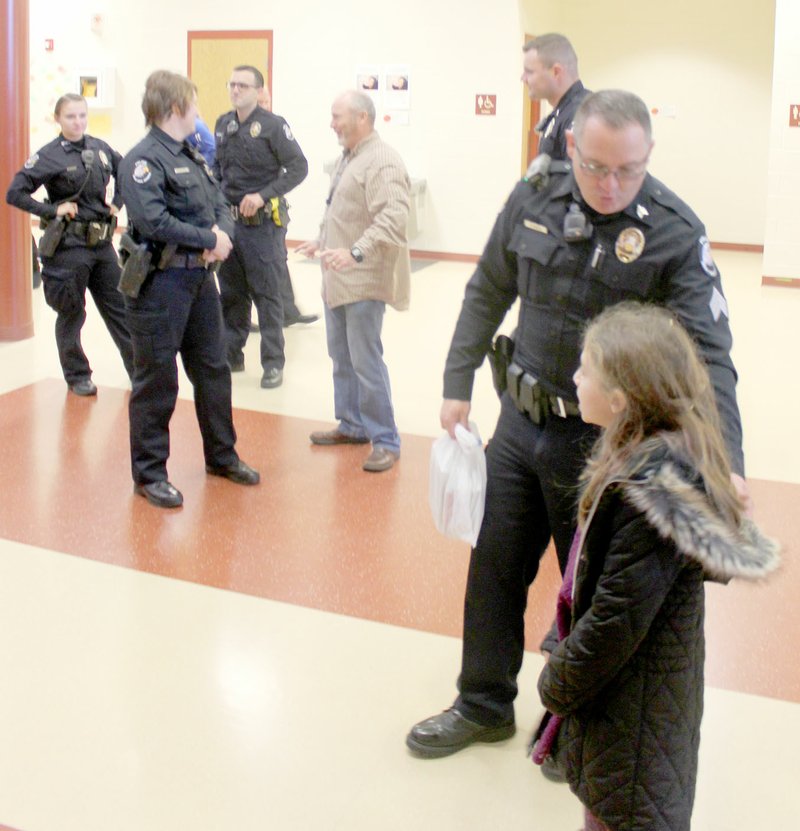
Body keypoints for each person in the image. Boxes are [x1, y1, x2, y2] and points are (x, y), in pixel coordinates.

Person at [406, 89, 751, 758]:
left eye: (629, 169)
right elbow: (488, 287)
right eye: (596, 167)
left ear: (648, 156)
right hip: (519, 424)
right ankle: (482, 703)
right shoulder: (534, 196)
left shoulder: (675, 231)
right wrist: (457, 380)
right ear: (571, 148)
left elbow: (710, 355)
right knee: (495, 570)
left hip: (601, 446)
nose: (611, 184)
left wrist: (726, 458)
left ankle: (577, 728)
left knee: (591, 596)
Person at [535, 302, 779, 831]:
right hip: (627, 708)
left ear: (620, 399)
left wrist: (557, 682)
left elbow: (616, 618)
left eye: (585, 369)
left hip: (637, 717)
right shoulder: (638, 454)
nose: (574, 378)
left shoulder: (653, 489)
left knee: (624, 814)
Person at [118, 69, 259, 509]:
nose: (199, 112)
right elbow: (153, 220)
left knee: (214, 371)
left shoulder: (192, 156)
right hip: (161, 284)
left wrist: (224, 234)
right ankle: (149, 474)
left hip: (199, 281)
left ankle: (221, 455)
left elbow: (220, 202)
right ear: (175, 108)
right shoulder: (142, 161)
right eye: (193, 104)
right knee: (157, 381)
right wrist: (209, 239)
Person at [297, 90, 410, 473]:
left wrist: (355, 252)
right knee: (341, 357)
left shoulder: (381, 160)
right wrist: (322, 241)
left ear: (362, 117)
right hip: (337, 280)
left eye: (337, 116)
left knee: (365, 361)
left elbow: (393, 217)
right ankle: (352, 424)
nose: (332, 124)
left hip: (361, 280)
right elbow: (342, 212)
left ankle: (386, 440)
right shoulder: (350, 157)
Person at [6, 93, 134, 396]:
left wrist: (117, 202)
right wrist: (52, 210)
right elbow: (15, 192)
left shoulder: (100, 149)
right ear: (58, 119)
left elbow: (127, 171)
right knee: (72, 314)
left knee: (121, 309)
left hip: (102, 246)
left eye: (82, 116)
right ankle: (77, 375)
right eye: (70, 117)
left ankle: (139, 370)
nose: (77, 122)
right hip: (69, 247)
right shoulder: (49, 155)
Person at [213, 65, 309, 388]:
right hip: (230, 225)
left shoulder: (273, 126)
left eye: (243, 85)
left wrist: (264, 194)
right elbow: (218, 169)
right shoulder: (223, 124)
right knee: (232, 293)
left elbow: (298, 167)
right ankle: (232, 355)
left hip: (261, 227)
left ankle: (272, 363)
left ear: (258, 91)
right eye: (232, 84)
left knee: (267, 296)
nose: (235, 90)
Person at [246, 86, 318, 332]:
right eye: (261, 102)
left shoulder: (275, 127)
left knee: (280, 259)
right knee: (256, 267)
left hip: (274, 208)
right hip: (246, 215)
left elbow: (296, 165)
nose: (265, 106)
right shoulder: (235, 129)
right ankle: (247, 319)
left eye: (267, 101)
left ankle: (289, 311)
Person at [522, 33, 589, 161]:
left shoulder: (582, 115)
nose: (523, 78)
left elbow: (578, 179)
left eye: (529, 72)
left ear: (556, 72)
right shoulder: (562, 113)